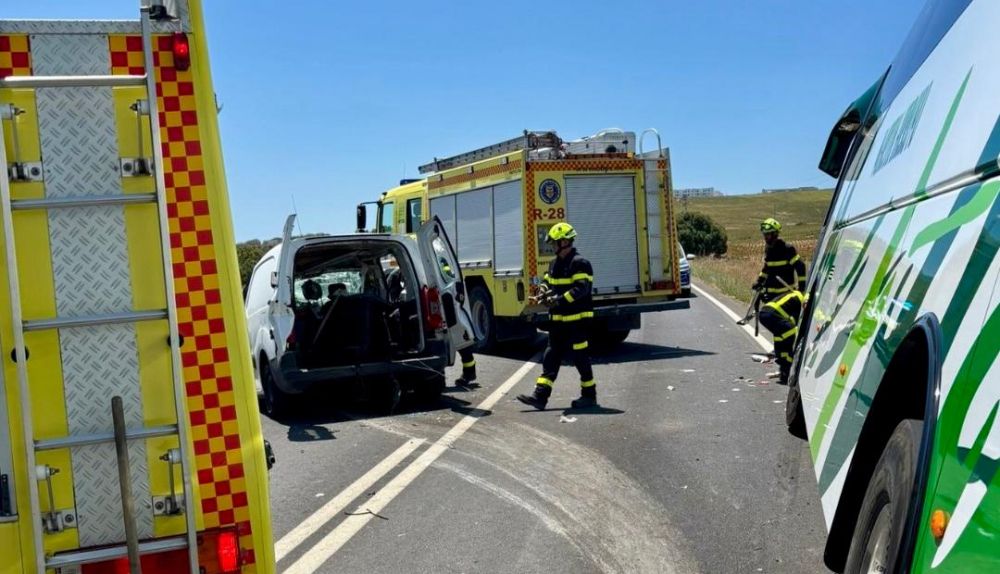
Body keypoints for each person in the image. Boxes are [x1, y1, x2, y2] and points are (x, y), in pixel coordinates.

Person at [517, 222, 597, 410]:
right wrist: (542, 292)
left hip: (577, 320)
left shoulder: (580, 263)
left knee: (580, 357)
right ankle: (540, 397)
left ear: (564, 242)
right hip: (558, 321)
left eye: (554, 242)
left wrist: (558, 301)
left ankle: (589, 396)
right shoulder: (554, 264)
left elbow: (581, 289)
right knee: (551, 356)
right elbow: (547, 281)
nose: (552, 246)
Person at [753, 218, 806, 385]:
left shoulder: (787, 249)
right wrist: (759, 282)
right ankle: (783, 365)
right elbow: (766, 269)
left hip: (786, 295)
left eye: (769, 234)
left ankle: (789, 363)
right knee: (779, 331)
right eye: (764, 234)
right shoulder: (769, 250)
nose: (766, 237)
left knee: (787, 331)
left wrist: (802, 289)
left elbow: (800, 267)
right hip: (772, 296)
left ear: (776, 234)